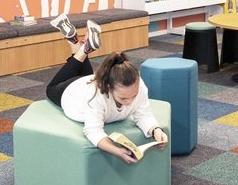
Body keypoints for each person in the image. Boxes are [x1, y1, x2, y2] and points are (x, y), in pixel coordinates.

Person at [46, 13, 168, 163]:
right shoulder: (96, 95)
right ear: (109, 87)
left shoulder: (139, 85)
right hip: (73, 92)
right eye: (123, 98)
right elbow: (93, 130)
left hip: (88, 81)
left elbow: (143, 114)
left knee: (87, 75)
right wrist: (117, 151)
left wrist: (155, 129)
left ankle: (79, 44)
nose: (129, 102)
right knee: (50, 89)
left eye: (133, 96)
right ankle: (83, 48)